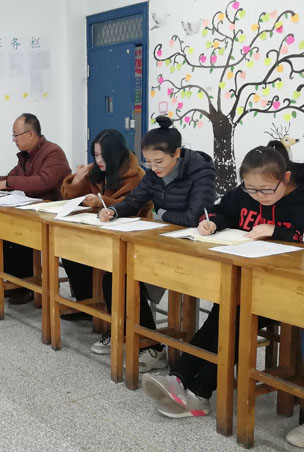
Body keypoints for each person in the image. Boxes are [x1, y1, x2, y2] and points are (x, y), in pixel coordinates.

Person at [142, 146, 304, 424]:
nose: (258, 196)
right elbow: (223, 211)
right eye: (251, 189)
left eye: (266, 190)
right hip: (245, 281)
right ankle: (184, 383)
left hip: (287, 291)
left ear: (286, 177)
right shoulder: (244, 194)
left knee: (234, 320)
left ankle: (193, 387)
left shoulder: (299, 200)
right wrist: (212, 223)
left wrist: (277, 231)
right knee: (225, 313)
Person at [99, 116, 217, 372]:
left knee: (132, 278)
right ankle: (149, 342)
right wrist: (114, 211)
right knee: (115, 276)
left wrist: (161, 213)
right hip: (163, 241)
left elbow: (194, 217)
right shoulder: (153, 174)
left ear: (177, 153)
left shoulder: (201, 172)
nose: (153, 168)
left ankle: (150, 344)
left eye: (159, 162)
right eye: (148, 162)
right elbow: (136, 200)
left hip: (193, 248)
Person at [59, 129, 152, 353]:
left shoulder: (135, 175)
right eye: (95, 155)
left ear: (115, 154)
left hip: (130, 236)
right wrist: (76, 180)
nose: (99, 160)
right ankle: (87, 305)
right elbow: (69, 197)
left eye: (103, 156)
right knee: (70, 253)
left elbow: (131, 206)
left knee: (114, 276)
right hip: (97, 233)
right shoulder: (96, 172)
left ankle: (118, 325)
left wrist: (101, 202)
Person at [0, 113, 71, 304]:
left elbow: (43, 182)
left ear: (30, 134)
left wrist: (9, 182)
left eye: (16, 135)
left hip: (55, 212)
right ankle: (16, 283)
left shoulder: (53, 152)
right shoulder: (26, 156)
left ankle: (26, 286)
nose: (14, 140)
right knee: (7, 231)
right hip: (35, 210)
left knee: (19, 233)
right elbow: (12, 177)